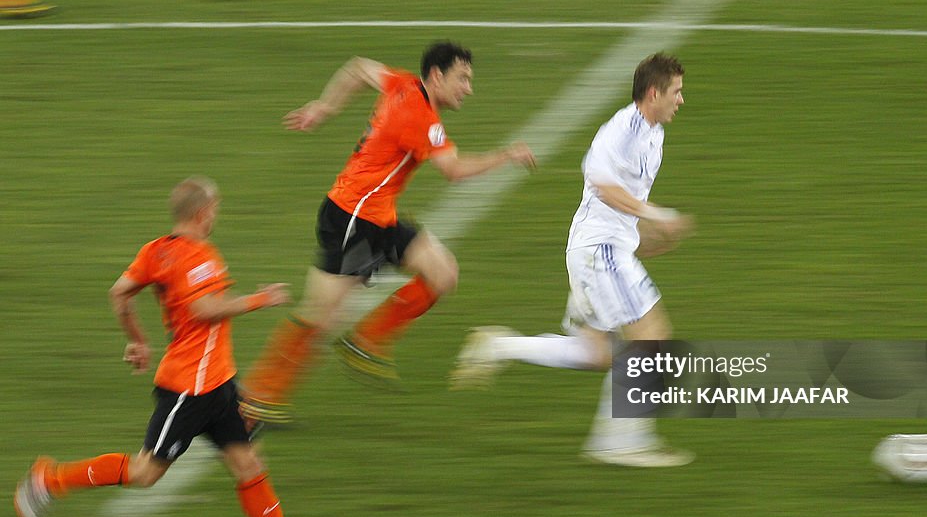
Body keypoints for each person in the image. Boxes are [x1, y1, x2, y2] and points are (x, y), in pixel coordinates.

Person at [13, 177, 339, 517]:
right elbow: (204, 309)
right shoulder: (200, 257)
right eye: (216, 208)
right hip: (190, 390)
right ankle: (49, 480)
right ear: (202, 213)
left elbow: (120, 293)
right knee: (146, 472)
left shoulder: (156, 250)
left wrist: (137, 341)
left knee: (248, 463)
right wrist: (260, 299)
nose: (216, 215)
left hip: (218, 384)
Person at [239, 41, 535, 425]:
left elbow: (359, 67)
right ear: (436, 75)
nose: (468, 88)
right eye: (462, 79)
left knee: (442, 273)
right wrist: (507, 155)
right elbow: (454, 171)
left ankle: (365, 341)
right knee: (319, 318)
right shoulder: (421, 118)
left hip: (379, 218)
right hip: (352, 220)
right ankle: (252, 401)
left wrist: (325, 106)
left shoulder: (403, 83)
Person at [449, 53, 694, 468]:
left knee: (596, 353)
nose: (681, 100)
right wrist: (656, 217)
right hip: (601, 253)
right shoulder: (621, 130)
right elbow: (600, 183)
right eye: (676, 92)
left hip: (601, 250)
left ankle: (498, 346)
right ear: (654, 93)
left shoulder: (653, 132)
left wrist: (645, 234)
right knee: (653, 336)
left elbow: (626, 195)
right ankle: (621, 441)